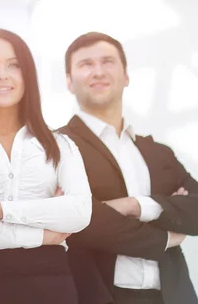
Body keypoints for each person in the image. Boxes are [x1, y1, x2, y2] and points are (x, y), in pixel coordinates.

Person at [0, 29, 92, 304]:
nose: (2, 75)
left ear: (28, 76)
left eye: (13, 65)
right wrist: (44, 235)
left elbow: (79, 212)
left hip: (52, 288)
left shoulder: (60, 145)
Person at [61, 31, 198, 304]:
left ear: (126, 76)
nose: (98, 71)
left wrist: (135, 205)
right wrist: (167, 232)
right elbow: (78, 224)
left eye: (108, 61)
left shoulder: (158, 152)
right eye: (86, 64)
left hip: (173, 297)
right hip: (97, 296)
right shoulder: (58, 147)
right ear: (69, 82)